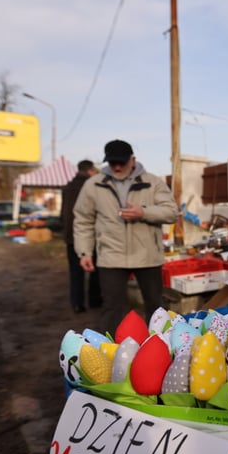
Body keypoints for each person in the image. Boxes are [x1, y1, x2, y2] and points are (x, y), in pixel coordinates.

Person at [72, 139, 177, 334]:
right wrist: (84, 252)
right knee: (112, 309)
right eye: (113, 163)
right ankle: (109, 354)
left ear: (132, 159)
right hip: (111, 257)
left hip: (148, 255)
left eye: (122, 162)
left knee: (156, 307)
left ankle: (162, 346)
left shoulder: (153, 182)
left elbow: (171, 212)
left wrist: (143, 213)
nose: (117, 167)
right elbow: (83, 220)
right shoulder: (93, 185)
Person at [61, 160, 102, 313]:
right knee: (94, 270)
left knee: (75, 272)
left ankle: (77, 303)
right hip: (89, 236)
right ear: (90, 170)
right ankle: (94, 300)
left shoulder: (67, 187)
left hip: (70, 236)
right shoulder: (91, 187)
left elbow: (62, 213)